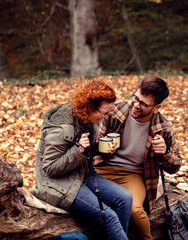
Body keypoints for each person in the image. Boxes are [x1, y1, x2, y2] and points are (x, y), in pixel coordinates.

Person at [33, 80, 133, 240]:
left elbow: (87, 151)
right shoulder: (61, 128)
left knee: (125, 199)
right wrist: (78, 150)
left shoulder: (88, 119)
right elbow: (49, 168)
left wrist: (101, 148)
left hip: (81, 176)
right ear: (90, 107)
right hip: (57, 185)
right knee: (109, 216)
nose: (105, 118)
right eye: (104, 113)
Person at [94, 76, 182, 240]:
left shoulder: (163, 127)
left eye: (143, 104)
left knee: (134, 209)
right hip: (102, 168)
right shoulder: (115, 111)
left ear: (157, 107)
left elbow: (175, 166)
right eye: (135, 98)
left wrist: (165, 152)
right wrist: (102, 148)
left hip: (133, 175)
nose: (136, 105)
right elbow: (95, 145)